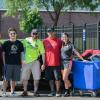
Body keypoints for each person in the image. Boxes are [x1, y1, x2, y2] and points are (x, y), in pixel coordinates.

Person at [21, 29, 45, 96]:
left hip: (36, 62)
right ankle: (25, 91)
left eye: (36, 33)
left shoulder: (40, 42)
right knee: (25, 78)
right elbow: (21, 49)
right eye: (33, 33)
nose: (35, 35)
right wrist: (22, 60)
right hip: (26, 62)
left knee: (36, 78)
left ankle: (35, 91)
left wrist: (43, 63)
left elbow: (43, 53)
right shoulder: (26, 40)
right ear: (31, 34)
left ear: (38, 34)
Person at [61, 32, 85, 96]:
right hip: (62, 62)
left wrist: (83, 59)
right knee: (65, 79)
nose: (64, 38)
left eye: (65, 37)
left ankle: (72, 89)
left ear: (68, 37)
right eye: (63, 37)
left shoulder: (71, 45)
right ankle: (67, 92)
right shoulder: (61, 44)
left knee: (64, 78)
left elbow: (76, 52)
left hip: (68, 62)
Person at [2, 27, 24, 97]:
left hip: (17, 64)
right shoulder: (6, 43)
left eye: (14, 33)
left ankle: (12, 91)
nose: (12, 35)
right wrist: (4, 63)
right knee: (6, 79)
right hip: (8, 64)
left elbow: (21, 54)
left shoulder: (19, 43)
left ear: (16, 34)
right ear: (9, 35)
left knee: (14, 79)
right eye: (11, 34)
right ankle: (4, 92)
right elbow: (3, 54)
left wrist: (21, 63)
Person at [43, 28, 62, 97]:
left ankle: (58, 91)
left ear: (54, 32)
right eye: (48, 32)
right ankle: (52, 91)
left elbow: (63, 50)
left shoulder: (59, 41)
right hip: (48, 64)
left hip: (57, 63)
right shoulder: (45, 41)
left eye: (51, 32)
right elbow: (42, 52)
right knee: (50, 79)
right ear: (47, 33)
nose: (50, 33)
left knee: (57, 78)